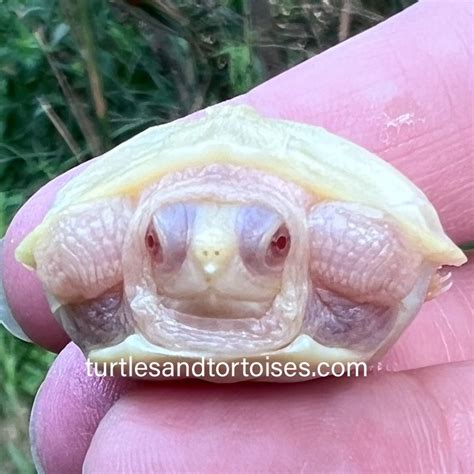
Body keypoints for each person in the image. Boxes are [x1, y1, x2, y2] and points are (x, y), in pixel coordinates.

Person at [2, 1, 473, 472]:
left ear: (293, 241)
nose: (210, 266)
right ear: (139, 243)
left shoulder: (327, 227)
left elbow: (396, 246)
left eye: (272, 247)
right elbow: (58, 246)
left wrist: (411, 260)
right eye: (160, 246)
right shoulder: (114, 231)